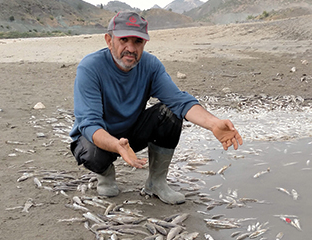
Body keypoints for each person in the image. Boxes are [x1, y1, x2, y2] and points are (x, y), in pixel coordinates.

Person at [70, 11, 243, 204]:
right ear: (109, 40)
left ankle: (156, 182)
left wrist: (213, 124)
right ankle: (106, 174)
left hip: (131, 133)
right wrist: (115, 145)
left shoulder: (150, 65)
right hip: (99, 138)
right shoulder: (90, 67)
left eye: (137, 41)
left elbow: (180, 101)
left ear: (145, 43)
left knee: (170, 113)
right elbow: (89, 123)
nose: (130, 48)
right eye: (124, 40)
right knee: (91, 152)